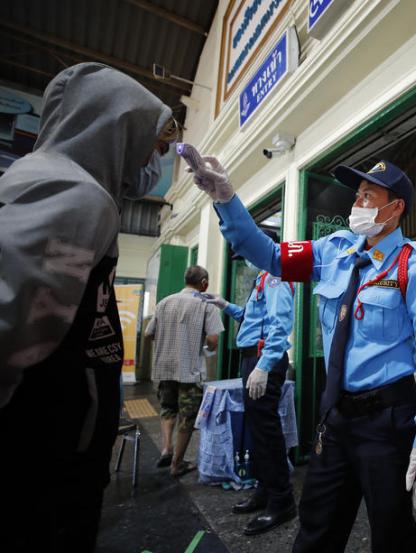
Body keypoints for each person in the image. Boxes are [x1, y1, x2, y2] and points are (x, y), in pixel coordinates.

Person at [191, 156, 416, 552]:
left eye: (368, 196)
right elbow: (272, 257)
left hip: (387, 422)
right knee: (316, 527)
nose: (357, 204)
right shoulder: (334, 250)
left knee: (392, 532)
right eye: (357, 195)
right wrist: (226, 199)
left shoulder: (415, 265)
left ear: (396, 207)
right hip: (336, 418)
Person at [0, 62, 175, 552]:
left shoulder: (47, 179)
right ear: (116, 129)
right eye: (152, 147)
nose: (151, 163)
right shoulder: (76, 193)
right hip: (43, 454)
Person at [204, 247, 297, 535]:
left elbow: (280, 324)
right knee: (258, 429)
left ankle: (282, 499)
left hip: (262, 359)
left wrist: (264, 365)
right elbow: (252, 318)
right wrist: (225, 305)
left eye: (247, 253)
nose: (246, 261)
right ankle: (265, 489)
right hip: (253, 358)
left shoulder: (275, 276)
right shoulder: (263, 279)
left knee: (267, 430)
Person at [145, 265, 224, 477]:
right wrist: (207, 348)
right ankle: (177, 464)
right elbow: (213, 340)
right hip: (190, 371)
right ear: (204, 283)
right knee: (187, 418)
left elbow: (148, 334)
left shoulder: (164, 302)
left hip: (165, 368)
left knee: (168, 409)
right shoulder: (206, 305)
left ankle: (166, 448)